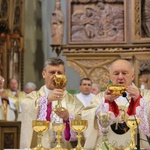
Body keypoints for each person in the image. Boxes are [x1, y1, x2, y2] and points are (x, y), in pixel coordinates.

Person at [82, 59, 150, 150]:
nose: (120, 77)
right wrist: (105, 103)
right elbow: (87, 117)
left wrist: (139, 100)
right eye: (116, 73)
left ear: (133, 76)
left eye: (124, 73)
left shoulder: (145, 96)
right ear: (110, 76)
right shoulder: (100, 98)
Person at [20, 57, 84, 149]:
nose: (56, 76)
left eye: (59, 73)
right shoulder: (33, 96)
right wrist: (47, 99)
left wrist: (67, 117)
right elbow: (26, 107)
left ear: (64, 76)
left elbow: (83, 120)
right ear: (44, 74)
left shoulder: (72, 100)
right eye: (52, 72)